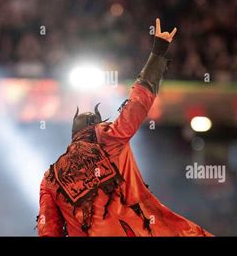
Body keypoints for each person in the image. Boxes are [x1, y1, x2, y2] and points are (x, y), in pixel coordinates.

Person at [37, 18, 212, 236]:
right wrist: (157, 54)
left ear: (73, 135)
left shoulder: (50, 178)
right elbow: (137, 104)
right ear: (98, 125)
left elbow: (48, 230)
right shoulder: (107, 137)